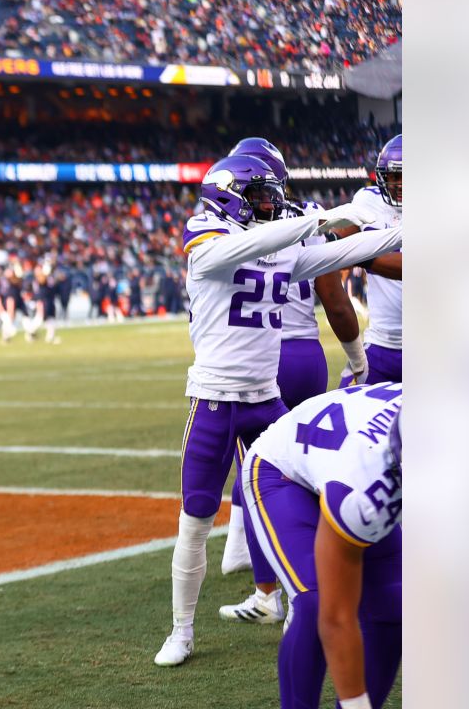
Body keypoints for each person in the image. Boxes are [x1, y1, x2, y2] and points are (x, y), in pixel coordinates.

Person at [154, 154, 402, 667]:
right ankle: (181, 631)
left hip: (268, 401)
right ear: (231, 196)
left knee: (294, 508)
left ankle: (290, 605)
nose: (272, 204)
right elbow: (236, 250)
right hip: (215, 401)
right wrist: (311, 221)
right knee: (196, 518)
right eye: (262, 196)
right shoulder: (206, 237)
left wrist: (409, 234)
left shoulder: (279, 247)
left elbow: (351, 251)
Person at [218, 138, 368, 611]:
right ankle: (333, 559)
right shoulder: (308, 218)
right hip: (306, 356)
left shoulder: (232, 222)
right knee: (309, 465)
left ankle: (271, 592)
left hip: (261, 356)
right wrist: (357, 358)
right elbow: (336, 302)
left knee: (259, 475)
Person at [241, 384, 402, 709]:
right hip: (281, 470)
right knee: (316, 601)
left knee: (392, 606)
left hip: (339, 453)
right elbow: (336, 617)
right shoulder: (366, 494)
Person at [341, 134, 403, 385]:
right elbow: (342, 244)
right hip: (379, 342)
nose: (398, 184)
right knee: (346, 412)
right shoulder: (368, 200)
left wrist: (363, 256)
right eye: (393, 176)